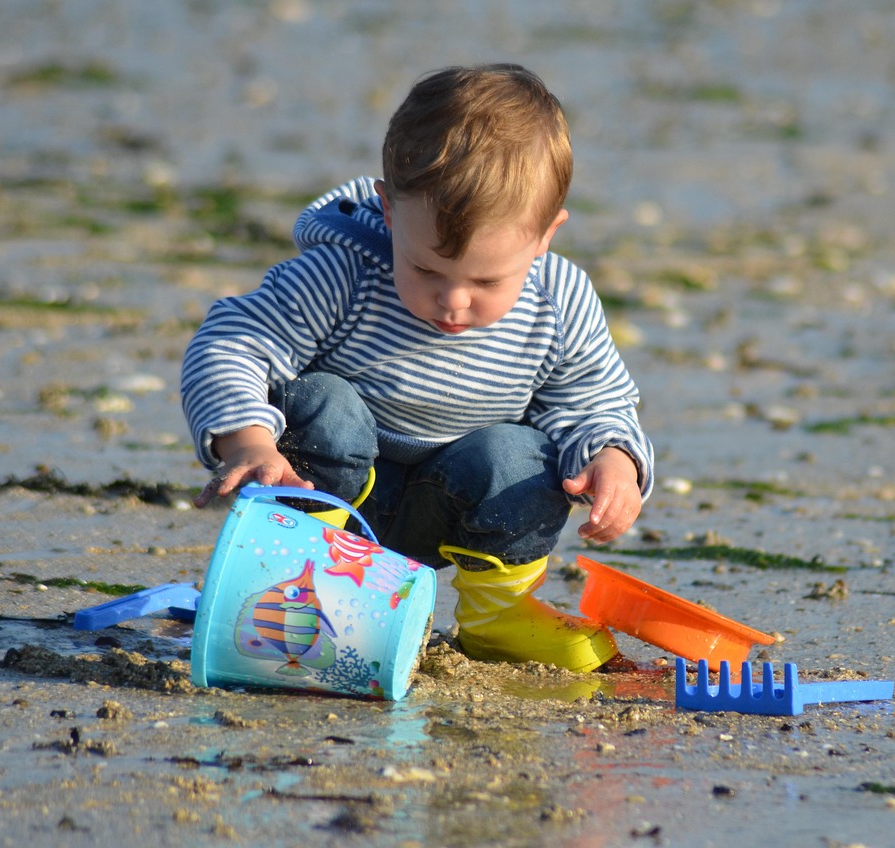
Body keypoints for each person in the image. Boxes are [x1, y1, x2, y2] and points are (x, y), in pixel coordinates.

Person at [181, 64, 654, 673]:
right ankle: (305, 589)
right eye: (426, 269)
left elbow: (592, 403)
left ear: (545, 235)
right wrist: (246, 439)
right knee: (325, 404)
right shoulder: (345, 275)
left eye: (486, 280)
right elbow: (232, 341)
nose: (453, 301)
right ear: (389, 208)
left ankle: (495, 617)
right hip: (330, 504)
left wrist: (612, 456)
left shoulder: (558, 304)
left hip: (453, 509)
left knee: (522, 456)